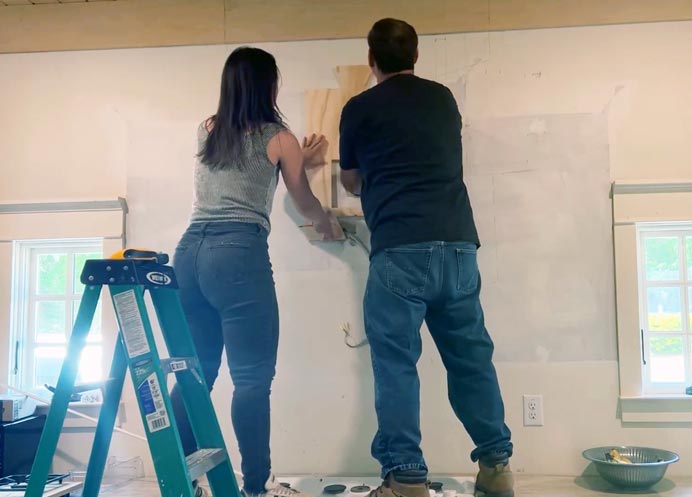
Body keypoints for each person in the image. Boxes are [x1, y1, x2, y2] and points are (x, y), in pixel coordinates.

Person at [338, 18, 514, 497]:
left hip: (400, 250)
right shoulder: (442, 98)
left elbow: (351, 182)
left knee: (396, 365)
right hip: (458, 247)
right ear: (415, 57)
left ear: (371, 60)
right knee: (471, 360)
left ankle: (406, 479)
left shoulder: (358, 108)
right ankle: (497, 468)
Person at [170, 46, 339, 497]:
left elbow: (239, 173)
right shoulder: (279, 138)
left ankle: (183, 480)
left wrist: (303, 161)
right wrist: (326, 224)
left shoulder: (206, 130)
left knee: (195, 373)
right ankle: (256, 486)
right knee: (251, 378)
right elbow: (301, 199)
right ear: (270, 86)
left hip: (188, 255)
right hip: (237, 255)